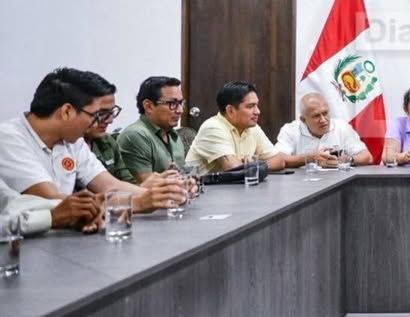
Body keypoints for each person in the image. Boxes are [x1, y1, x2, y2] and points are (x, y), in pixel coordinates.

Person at [0, 68, 184, 235]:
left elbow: (109, 185)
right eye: (97, 115)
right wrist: (137, 202)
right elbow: (53, 201)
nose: (102, 122)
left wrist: (164, 193)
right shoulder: (8, 138)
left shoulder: (72, 141)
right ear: (67, 112)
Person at [185, 80, 285, 173]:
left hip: (233, 189)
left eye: (257, 106)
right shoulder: (212, 127)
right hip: (204, 190)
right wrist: (254, 164)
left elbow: (279, 160)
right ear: (230, 110)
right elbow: (233, 168)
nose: (257, 112)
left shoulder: (252, 127)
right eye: (250, 106)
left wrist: (252, 164)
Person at [118, 76, 189, 182]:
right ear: (148, 106)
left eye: (181, 103)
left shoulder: (173, 135)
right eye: (172, 103)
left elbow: (182, 177)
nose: (180, 110)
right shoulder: (135, 135)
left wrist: (190, 183)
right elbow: (146, 186)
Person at [275, 92, 373, 168]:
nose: (323, 120)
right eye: (316, 116)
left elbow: (367, 157)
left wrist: (347, 160)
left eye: (325, 113)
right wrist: (310, 158)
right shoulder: (290, 130)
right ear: (303, 120)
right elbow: (278, 160)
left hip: (337, 182)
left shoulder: (341, 127)